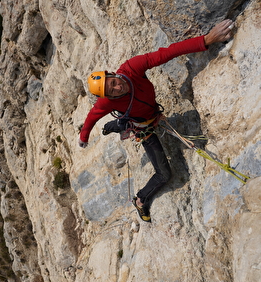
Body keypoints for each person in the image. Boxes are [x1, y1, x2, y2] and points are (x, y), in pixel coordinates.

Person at [78, 20, 234, 222]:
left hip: (145, 114)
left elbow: (168, 53)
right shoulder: (106, 103)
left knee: (121, 123)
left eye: (114, 82)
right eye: (111, 91)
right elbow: (91, 117)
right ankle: (141, 199)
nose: (117, 88)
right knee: (163, 175)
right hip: (143, 127)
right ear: (108, 97)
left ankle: (115, 125)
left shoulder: (132, 68)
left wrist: (206, 40)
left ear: (113, 74)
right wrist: (83, 137)